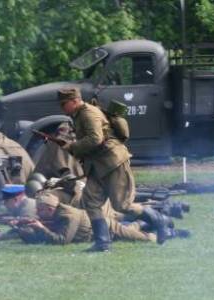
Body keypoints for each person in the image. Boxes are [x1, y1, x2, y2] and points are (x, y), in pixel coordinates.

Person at [56, 87, 171, 251]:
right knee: (90, 201)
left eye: (64, 104)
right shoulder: (79, 114)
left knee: (122, 205)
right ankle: (103, 243)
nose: (62, 108)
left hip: (113, 163)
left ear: (74, 101)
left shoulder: (88, 113)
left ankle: (158, 219)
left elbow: (96, 139)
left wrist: (73, 146)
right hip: (97, 165)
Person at [17, 195, 184, 245]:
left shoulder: (68, 216)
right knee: (133, 225)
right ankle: (158, 221)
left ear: (50, 209)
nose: (37, 213)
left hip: (107, 228)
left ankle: (172, 232)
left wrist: (40, 227)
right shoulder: (56, 214)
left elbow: (62, 240)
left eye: (40, 210)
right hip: (101, 227)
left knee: (141, 238)